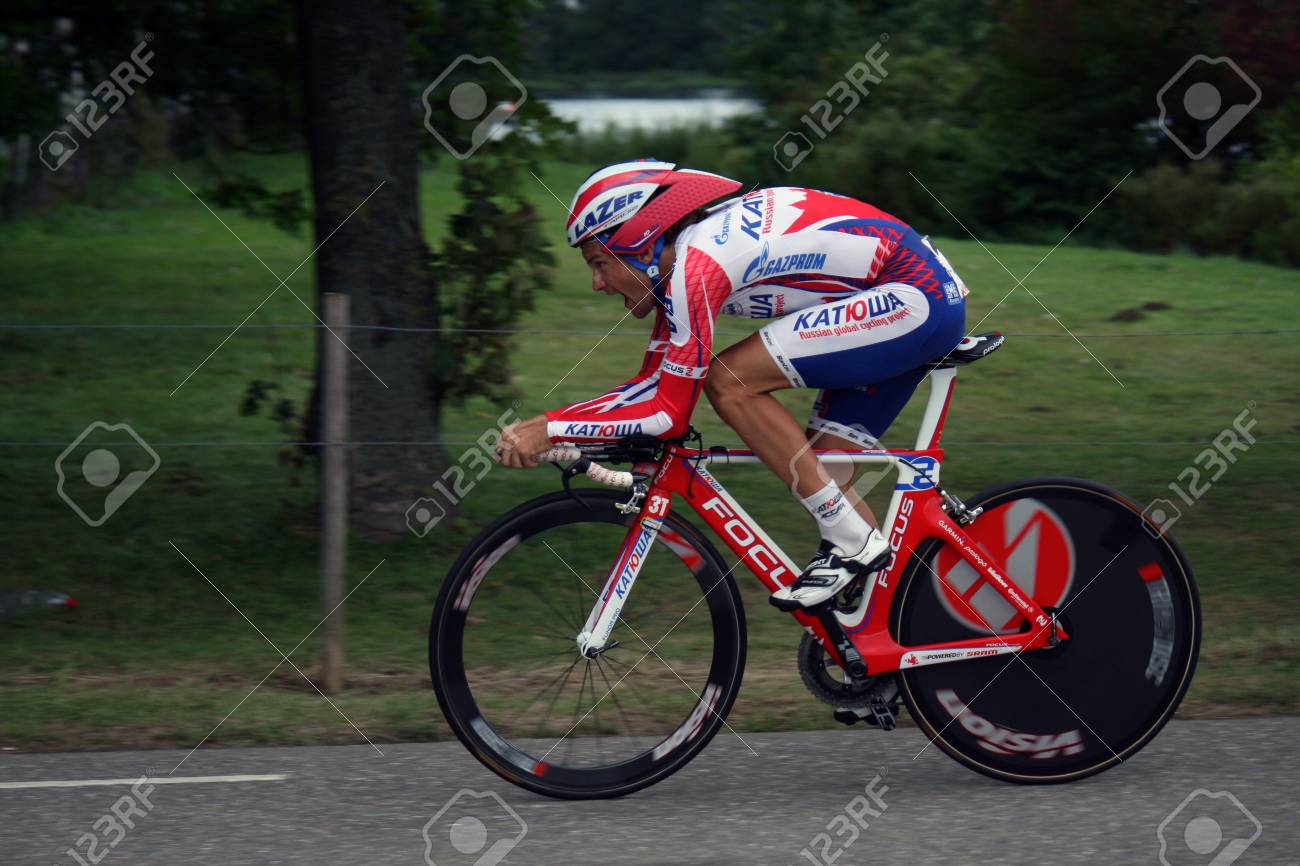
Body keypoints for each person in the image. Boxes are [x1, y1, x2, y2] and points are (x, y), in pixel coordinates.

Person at [496, 158, 967, 610]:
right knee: (822, 474)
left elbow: (667, 415)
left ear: (638, 243)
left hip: (914, 297)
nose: (597, 284)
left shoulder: (696, 267)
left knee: (730, 382)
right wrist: (560, 429)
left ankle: (852, 541)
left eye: (600, 263)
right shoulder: (679, 270)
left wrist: (551, 428)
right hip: (906, 298)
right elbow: (653, 385)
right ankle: (877, 634)